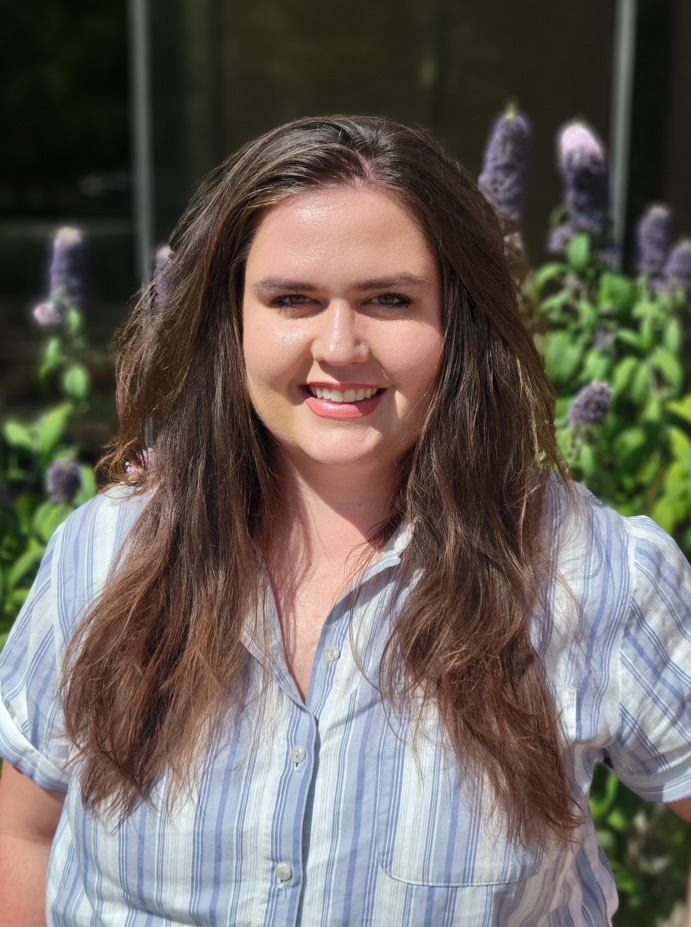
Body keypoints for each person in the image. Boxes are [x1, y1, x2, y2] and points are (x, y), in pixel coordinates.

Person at [0, 115, 689, 927]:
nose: (339, 345)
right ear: (233, 320)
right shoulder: (105, 553)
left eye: (388, 300)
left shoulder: (589, 570)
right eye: (292, 299)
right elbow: (23, 829)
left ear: (456, 317)